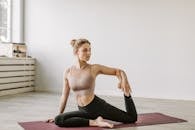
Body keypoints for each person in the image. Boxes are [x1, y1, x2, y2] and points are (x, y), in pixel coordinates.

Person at [47, 39, 137, 128]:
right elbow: (64, 95)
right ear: (76, 52)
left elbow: (118, 71)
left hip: (98, 107)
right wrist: (59, 113)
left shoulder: (94, 68)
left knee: (131, 118)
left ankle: (127, 95)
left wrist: (124, 81)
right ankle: (96, 122)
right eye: (85, 50)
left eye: (90, 50)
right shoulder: (68, 72)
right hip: (83, 110)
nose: (89, 53)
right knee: (59, 119)